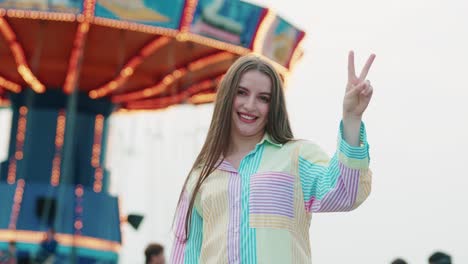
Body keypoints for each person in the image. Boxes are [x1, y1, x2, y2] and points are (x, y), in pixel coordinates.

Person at [170, 52, 375, 263]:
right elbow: (186, 255)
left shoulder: (297, 156)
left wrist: (352, 118)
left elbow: (346, 192)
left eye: (263, 98)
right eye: (241, 93)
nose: (250, 105)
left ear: (273, 105)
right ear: (226, 96)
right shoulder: (200, 176)